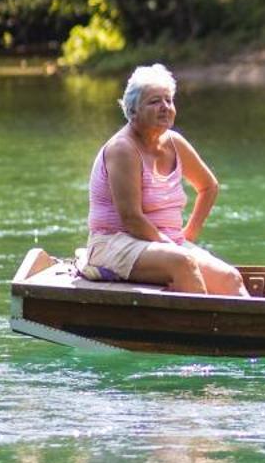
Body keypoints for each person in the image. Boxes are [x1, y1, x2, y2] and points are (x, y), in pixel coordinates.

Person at [83, 63, 248, 295]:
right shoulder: (123, 149)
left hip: (163, 244)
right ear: (133, 110)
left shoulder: (174, 142)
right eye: (154, 102)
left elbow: (208, 187)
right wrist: (175, 248)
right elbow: (132, 219)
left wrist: (188, 235)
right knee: (183, 263)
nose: (165, 107)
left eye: (168, 100)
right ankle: (205, 329)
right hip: (113, 243)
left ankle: (249, 330)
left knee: (231, 278)